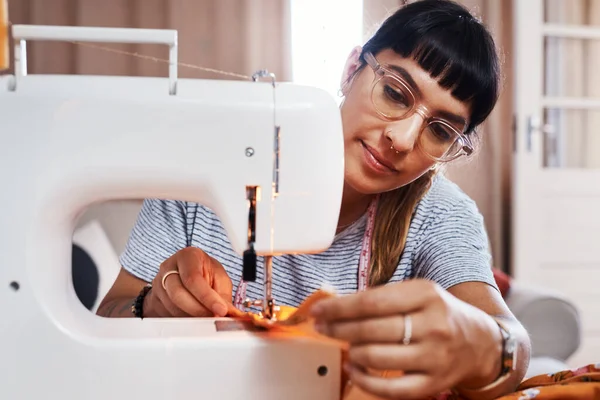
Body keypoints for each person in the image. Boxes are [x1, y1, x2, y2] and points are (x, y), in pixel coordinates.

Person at [97, 1, 531, 398]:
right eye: (395, 93)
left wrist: (486, 346)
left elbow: (510, 341)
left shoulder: (439, 214)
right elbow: (108, 314)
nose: (401, 138)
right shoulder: (204, 168)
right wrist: (151, 304)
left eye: (440, 130)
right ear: (350, 71)